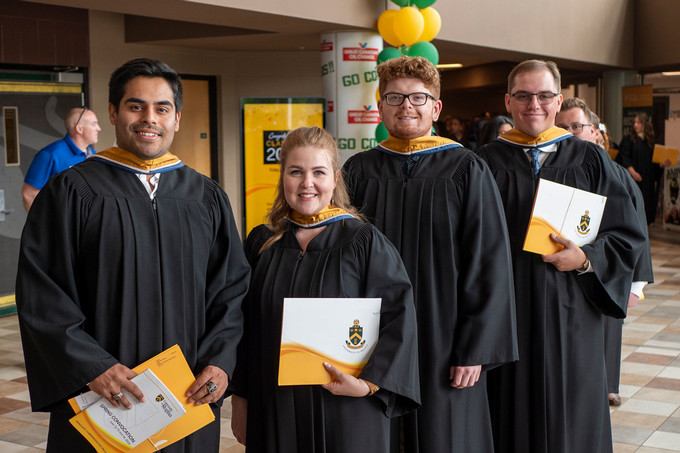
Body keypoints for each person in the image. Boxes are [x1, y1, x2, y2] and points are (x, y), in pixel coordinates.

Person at [16, 58, 250, 452]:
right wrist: (92, 368)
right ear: (113, 112)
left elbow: (230, 289)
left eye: (162, 108)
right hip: (103, 396)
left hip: (186, 395)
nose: (149, 118)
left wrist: (220, 361)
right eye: (135, 106)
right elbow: (43, 290)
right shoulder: (73, 192)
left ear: (177, 118)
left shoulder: (205, 197)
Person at [343, 55, 518, 452]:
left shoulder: (465, 169)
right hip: (373, 336)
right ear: (381, 106)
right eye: (395, 97)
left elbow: (489, 261)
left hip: (445, 335)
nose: (407, 105)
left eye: (418, 98)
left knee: (446, 435)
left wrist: (475, 348)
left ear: (435, 108)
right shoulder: (358, 170)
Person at [477, 60, 646, 453]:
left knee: (571, 411)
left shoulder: (590, 160)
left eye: (544, 95)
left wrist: (586, 259)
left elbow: (626, 234)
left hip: (572, 313)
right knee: (508, 412)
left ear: (558, 101)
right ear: (508, 101)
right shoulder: (483, 162)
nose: (533, 104)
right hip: (507, 312)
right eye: (523, 95)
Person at [230, 126, 420, 452]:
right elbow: (245, 329)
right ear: (282, 179)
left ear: (334, 179)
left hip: (346, 409)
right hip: (275, 407)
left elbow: (398, 317)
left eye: (318, 172)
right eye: (295, 172)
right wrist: (241, 398)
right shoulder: (262, 243)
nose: (307, 183)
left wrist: (367, 385)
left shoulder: (363, 242)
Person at [555, 97, 653, 407]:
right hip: (566, 270)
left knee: (608, 328)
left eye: (576, 126)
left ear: (596, 132)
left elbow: (635, 227)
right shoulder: (555, 170)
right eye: (562, 127)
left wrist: (636, 284)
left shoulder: (615, 173)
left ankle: (608, 385)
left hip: (608, 268)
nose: (570, 133)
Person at [22, 106, 100, 211]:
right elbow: (29, 194)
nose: (98, 128)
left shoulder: (94, 155)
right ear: (79, 129)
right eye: (94, 124)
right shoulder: (50, 154)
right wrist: (46, 226)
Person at [616, 112, 658, 224]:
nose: (635, 125)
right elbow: (624, 157)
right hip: (633, 179)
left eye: (638, 122)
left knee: (647, 203)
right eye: (634, 122)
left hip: (647, 180)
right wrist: (632, 172)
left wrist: (663, 164)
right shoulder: (628, 139)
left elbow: (655, 162)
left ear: (645, 124)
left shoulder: (651, 141)